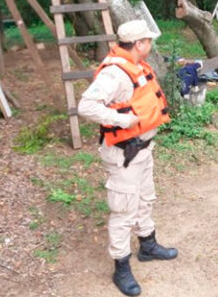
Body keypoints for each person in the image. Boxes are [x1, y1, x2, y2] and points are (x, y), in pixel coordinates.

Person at [78, 20, 178, 297]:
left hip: (143, 149)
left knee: (146, 199)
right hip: (124, 154)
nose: (151, 44)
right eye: (149, 40)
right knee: (123, 211)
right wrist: (120, 119)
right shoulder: (115, 74)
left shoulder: (137, 67)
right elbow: (86, 105)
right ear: (139, 44)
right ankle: (121, 266)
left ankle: (148, 244)